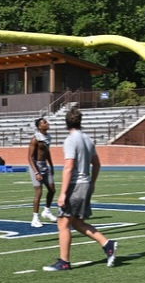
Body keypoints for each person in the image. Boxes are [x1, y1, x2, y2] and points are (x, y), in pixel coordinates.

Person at [43, 107, 117, 272]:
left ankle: (64, 261)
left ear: (66, 123)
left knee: (63, 223)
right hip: (85, 184)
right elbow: (97, 163)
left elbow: (68, 167)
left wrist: (62, 194)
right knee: (76, 222)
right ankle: (107, 244)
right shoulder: (88, 139)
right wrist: (93, 182)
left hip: (75, 186)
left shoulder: (71, 140)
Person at [28, 117, 56, 227]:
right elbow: (29, 157)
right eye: (44, 122)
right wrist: (36, 172)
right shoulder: (35, 139)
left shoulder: (48, 137)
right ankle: (35, 218)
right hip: (36, 166)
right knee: (39, 192)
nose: (47, 123)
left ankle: (47, 211)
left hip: (45, 165)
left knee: (52, 189)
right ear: (39, 126)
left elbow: (47, 152)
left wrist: (51, 165)